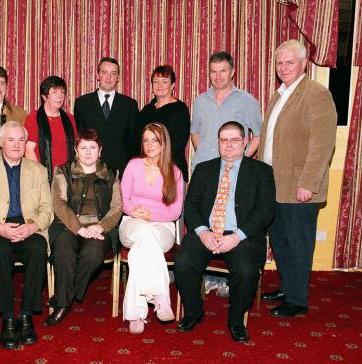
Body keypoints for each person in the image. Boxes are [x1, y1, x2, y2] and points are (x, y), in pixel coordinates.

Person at [174, 121, 275, 342]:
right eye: (224, 140)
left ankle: (236, 320)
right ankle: (194, 312)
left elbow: (265, 211)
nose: (229, 145)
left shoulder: (262, 171)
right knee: (183, 263)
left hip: (242, 235)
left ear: (245, 141)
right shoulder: (203, 169)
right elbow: (190, 205)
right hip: (206, 231)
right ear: (218, 143)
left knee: (247, 271)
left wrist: (237, 236)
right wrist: (202, 232)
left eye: (235, 140)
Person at [258, 40, 337, 318]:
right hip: (274, 184)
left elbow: (322, 144)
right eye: (279, 63)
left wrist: (308, 183)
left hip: (299, 187)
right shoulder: (278, 94)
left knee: (298, 242)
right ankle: (286, 286)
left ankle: (297, 299)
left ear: (304, 64)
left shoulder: (316, 94)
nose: (283, 68)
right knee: (280, 240)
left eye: (290, 62)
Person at [0, 121, 53, 350]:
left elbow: (48, 208)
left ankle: (26, 316)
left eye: (21, 140)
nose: (17, 144)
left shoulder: (39, 170)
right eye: (11, 139)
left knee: (38, 249)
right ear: (0, 142)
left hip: (28, 227)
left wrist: (33, 226)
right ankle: (7, 318)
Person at [45, 129, 123, 327]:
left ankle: (64, 297)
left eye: (93, 148)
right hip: (67, 226)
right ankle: (64, 302)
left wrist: (101, 226)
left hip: (99, 228)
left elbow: (117, 207)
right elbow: (59, 204)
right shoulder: (62, 171)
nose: (88, 152)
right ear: (76, 150)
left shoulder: (111, 173)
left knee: (93, 254)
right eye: (83, 148)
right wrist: (79, 228)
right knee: (63, 252)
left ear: (100, 150)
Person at [119, 122, 184, 334]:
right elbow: (123, 199)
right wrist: (133, 211)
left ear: (164, 142)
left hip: (163, 227)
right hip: (132, 223)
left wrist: (152, 215)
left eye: (154, 140)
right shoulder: (133, 165)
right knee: (144, 233)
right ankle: (161, 296)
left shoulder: (174, 172)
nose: (149, 145)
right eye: (145, 140)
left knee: (141, 250)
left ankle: (136, 314)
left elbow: (175, 212)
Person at [190, 51, 262, 171]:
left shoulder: (247, 101)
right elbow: (195, 132)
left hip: (233, 170)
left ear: (232, 72)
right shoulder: (200, 101)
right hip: (202, 168)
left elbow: (259, 135)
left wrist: (243, 157)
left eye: (223, 71)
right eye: (213, 71)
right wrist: (204, 153)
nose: (218, 77)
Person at [74, 57, 139, 174]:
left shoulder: (130, 105)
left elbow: (134, 141)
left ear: (118, 78)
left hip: (121, 170)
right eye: (104, 72)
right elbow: (80, 138)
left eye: (113, 73)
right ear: (97, 75)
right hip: (90, 169)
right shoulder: (82, 103)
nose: (109, 78)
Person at [136, 65, 191, 182]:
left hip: (171, 170)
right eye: (156, 82)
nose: (159, 85)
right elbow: (138, 140)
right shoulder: (147, 110)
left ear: (172, 86)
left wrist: (158, 163)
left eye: (164, 82)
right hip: (148, 170)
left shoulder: (180, 110)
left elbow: (178, 143)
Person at [24, 75, 77, 184]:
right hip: (42, 178)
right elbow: (29, 151)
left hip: (67, 177)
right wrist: (42, 177)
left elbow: (76, 148)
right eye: (55, 92)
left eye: (62, 93)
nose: (60, 96)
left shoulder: (70, 118)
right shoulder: (33, 118)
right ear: (44, 96)